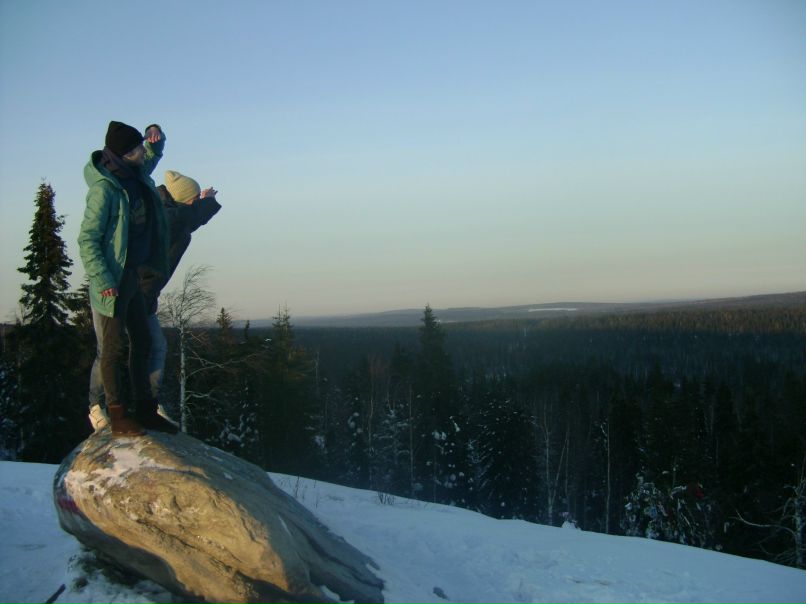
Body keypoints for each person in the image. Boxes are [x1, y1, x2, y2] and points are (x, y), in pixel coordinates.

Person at [88, 170, 221, 430]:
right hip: (115, 288)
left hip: (143, 294)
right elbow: (183, 218)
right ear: (183, 200)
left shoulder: (175, 216)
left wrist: (202, 202)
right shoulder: (159, 214)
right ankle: (96, 406)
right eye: (192, 200)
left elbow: (188, 219)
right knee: (108, 349)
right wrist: (205, 203)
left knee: (153, 345)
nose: (195, 205)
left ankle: (146, 403)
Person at [79, 121, 177, 435]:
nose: (140, 153)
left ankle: (145, 410)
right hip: (113, 282)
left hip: (133, 274)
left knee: (144, 340)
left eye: (139, 147)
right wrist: (103, 278)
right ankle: (118, 414)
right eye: (134, 149)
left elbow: (149, 157)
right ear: (121, 154)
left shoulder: (134, 173)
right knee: (113, 347)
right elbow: (88, 239)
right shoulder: (104, 190)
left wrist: (155, 143)